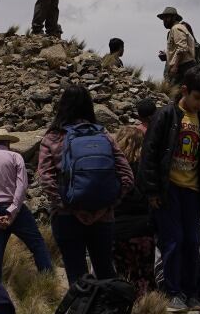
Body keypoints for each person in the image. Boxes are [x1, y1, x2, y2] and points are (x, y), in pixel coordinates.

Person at [38, 85, 135, 283]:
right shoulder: (105, 136)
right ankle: (109, 313)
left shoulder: (52, 138)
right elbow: (127, 177)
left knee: (77, 277)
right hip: (103, 218)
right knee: (106, 272)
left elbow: (46, 179)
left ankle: (81, 313)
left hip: (66, 218)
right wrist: (106, 207)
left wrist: (69, 208)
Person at [139, 65, 200, 312]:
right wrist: (151, 191)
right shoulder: (166, 116)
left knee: (192, 242)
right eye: (197, 97)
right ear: (185, 90)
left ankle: (190, 291)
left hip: (192, 191)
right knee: (173, 240)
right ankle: (173, 292)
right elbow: (149, 154)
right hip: (168, 189)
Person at [0, 129, 52, 283]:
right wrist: (12, 212)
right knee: (37, 243)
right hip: (15, 210)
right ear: (8, 142)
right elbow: (22, 186)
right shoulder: (16, 157)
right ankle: (48, 280)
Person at [110, 124, 156, 297]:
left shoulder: (112, 168)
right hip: (142, 231)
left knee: (123, 277)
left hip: (116, 230)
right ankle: (147, 312)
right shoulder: (145, 169)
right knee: (145, 276)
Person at [156, 6, 198, 89]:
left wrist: (175, 67)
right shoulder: (176, 28)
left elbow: (182, 48)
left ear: (174, 17)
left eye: (167, 17)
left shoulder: (176, 28)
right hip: (185, 67)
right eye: (163, 18)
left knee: (178, 94)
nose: (164, 21)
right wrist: (167, 55)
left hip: (184, 67)